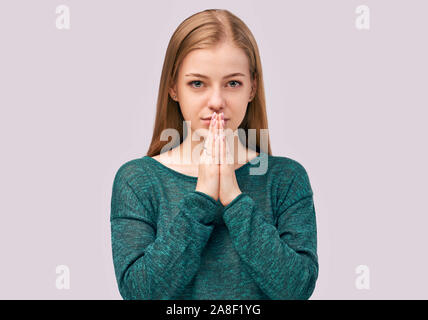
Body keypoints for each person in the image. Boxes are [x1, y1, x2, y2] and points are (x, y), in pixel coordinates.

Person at [110, 8, 318, 300]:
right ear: (173, 88)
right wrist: (203, 198)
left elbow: (295, 289)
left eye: (233, 83)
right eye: (197, 83)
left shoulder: (286, 178)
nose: (217, 101)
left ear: (252, 88)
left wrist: (233, 197)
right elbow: (140, 293)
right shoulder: (137, 180)